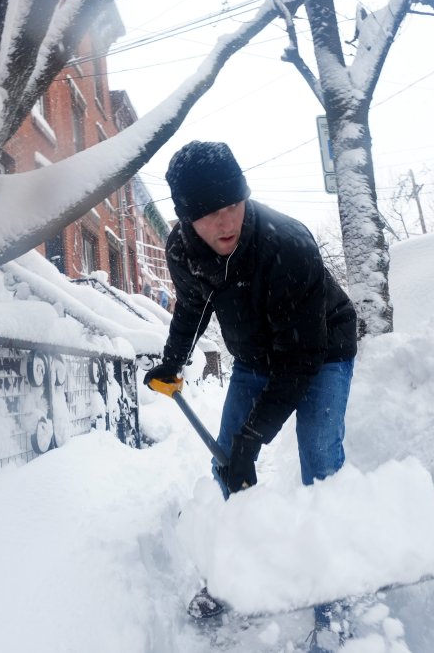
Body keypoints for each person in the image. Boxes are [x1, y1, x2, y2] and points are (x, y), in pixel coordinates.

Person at [143, 141, 358, 635]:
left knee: (321, 460)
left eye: (234, 205)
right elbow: (193, 305)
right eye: (211, 213)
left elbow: (300, 360)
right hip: (254, 355)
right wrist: (172, 362)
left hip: (321, 350)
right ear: (186, 217)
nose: (227, 222)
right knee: (227, 463)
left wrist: (254, 436)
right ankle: (241, 570)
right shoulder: (182, 250)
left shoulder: (287, 244)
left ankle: (336, 592)